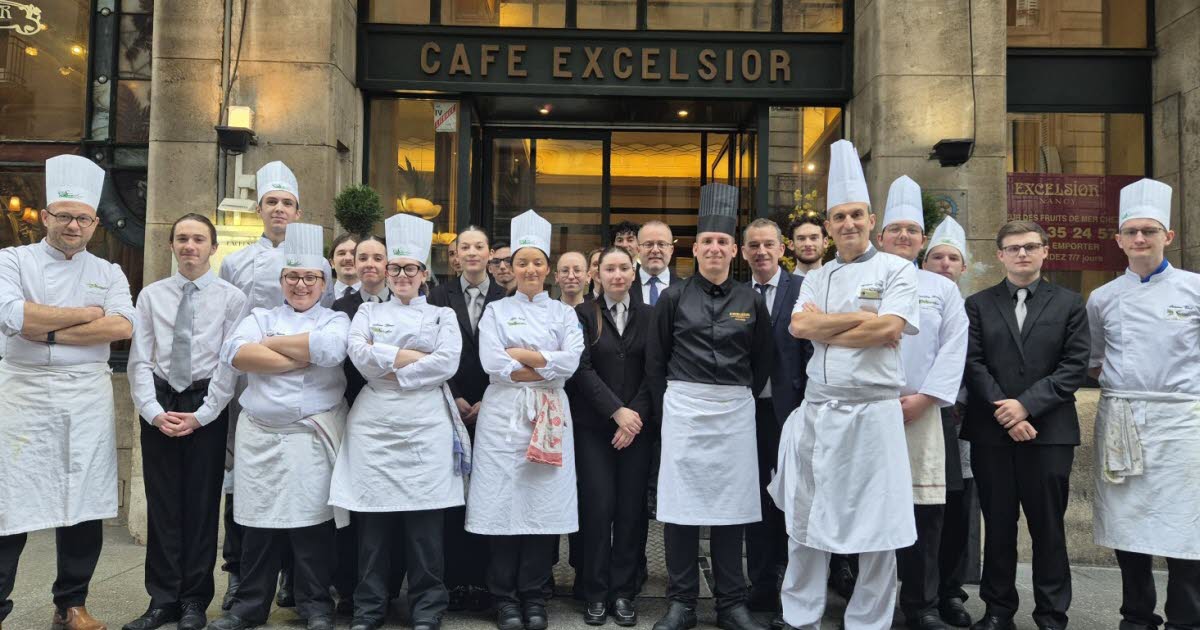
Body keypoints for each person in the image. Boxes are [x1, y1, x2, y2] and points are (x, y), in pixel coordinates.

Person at [772, 139, 921, 630]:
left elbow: (890, 328)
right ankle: (800, 616)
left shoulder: (898, 269)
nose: (848, 224)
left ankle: (869, 621)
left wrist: (830, 326)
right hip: (820, 413)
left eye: (856, 215)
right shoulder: (816, 277)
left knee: (879, 524)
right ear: (830, 225)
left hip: (875, 414)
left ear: (871, 220)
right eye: (839, 217)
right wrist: (861, 319)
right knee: (806, 518)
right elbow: (799, 327)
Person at [0, 155, 136, 630]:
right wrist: (85, 315)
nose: (73, 225)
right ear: (45, 217)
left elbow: (121, 326)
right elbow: (13, 316)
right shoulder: (12, 261)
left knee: (84, 502)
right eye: (64, 216)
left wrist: (49, 330)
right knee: (10, 502)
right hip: (23, 393)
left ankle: (71, 604)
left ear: (95, 223)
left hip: (85, 399)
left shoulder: (109, 271)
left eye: (83, 218)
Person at [208, 223, 351, 630]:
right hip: (261, 435)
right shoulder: (260, 315)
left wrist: (267, 345)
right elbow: (235, 353)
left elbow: (329, 350)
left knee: (313, 526)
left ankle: (315, 605)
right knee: (258, 526)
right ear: (281, 280)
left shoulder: (336, 319)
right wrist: (300, 355)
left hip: (310, 435)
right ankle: (249, 607)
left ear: (323, 282)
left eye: (310, 277)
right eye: (292, 277)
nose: (300, 285)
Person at [330, 213, 468, 630]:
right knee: (373, 525)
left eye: (411, 269)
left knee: (425, 528)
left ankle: (427, 608)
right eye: (395, 269)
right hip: (374, 426)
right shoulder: (366, 313)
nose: (402, 276)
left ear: (424, 274)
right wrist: (415, 358)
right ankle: (369, 607)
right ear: (386, 273)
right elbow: (360, 356)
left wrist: (388, 362)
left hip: (427, 425)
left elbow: (447, 363)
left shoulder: (443, 315)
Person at [647, 183, 772, 630]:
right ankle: (681, 602)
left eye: (723, 241)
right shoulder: (673, 297)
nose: (715, 248)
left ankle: (731, 604)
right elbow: (656, 361)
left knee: (732, 509)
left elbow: (763, 360)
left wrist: (736, 397)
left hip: (734, 413)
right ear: (695, 249)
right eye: (707, 241)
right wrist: (667, 414)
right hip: (684, 411)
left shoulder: (751, 300)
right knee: (680, 509)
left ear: (734, 250)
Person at [962, 221, 1089, 630]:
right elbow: (972, 363)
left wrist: (1026, 407)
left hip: (1050, 434)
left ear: (1045, 251)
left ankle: (1051, 615)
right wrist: (1007, 412)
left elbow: (1074, 366)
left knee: (1048, 528)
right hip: (992, 433)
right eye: (1013, 248)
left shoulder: (1070, 303)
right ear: (1000, 254)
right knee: (998, 526)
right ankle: (998, 611)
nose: (1022, 254)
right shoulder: (977, 304)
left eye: (1031, 246)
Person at [1086, 178, 1200, 630]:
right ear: (1118, 240)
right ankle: (1136, 616)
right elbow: (1095, 360)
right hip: (1123, 418)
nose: (1139, 239)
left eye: (1149, 231)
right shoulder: (1103, 298)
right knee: (1128, 520)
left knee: (1187, 520)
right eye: (1131, 232)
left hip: (1183, 421)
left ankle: (1186, 618)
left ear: (1167, 236)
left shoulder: (1195, 289)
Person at [124, 214, 246, 630]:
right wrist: (152, 411)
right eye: (182, 239)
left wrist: (204, 414)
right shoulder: (151, 296)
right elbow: (140, 359)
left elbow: (230, 364)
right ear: (171, 246)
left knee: (201, 506)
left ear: (213, 247)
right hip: (160, 402)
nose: (189, 246)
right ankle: (161, 600)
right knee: (162, 506)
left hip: (205, 402)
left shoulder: (232, 298)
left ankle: (194, 600)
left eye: (198, 239)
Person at [465, 210, 584, 630]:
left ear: (547, 268)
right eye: (522, 263)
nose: (530, 269)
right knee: (502, 505)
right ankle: (504, 599)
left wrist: (522, 356)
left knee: (541, 507)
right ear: (510, 268)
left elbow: (570, 363)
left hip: (549, 415)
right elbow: (492, 364)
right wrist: (546, 364)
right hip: (503, 417)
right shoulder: (496, 312)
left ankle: (534, 596)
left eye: (537, 262)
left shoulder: (564, 313)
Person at [875, 177, 969, 630]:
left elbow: (954, 346)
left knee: (925, 512)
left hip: (925, 413)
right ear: (880, 236)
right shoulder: (861, 279)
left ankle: (922, 605)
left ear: (922, 239)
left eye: (912, 230)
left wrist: (925, 398)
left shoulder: (941, 288)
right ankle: (869, 604)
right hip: (869, 409)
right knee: (868, 509)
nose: (904, 236)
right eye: (896, 229)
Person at [216, 160, 307, 610]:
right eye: (271, 202)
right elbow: (225, 326)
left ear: (298, 211)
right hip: (244, 387)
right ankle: (238, 572)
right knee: (241, 479)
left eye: (287, 203)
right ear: (259, 209)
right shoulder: (234, 262)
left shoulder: (315, 262)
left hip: (299, 382)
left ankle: (291, 574)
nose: (279, 209)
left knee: (296, 478)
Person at [566, 246, 654, 627]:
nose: (617, 275)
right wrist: (616, 412)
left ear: (634, 274)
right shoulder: (583, 315)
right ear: (596, 275)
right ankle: (595, 592)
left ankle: (623, 593)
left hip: (637, 430)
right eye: (609, 269)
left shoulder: (651, 316)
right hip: (593, 428)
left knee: (631, 511)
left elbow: (656, 370)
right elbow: (581, 369)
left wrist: (633, 417)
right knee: (598, 508)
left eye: (623, 268)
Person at [428, 226, 507, 612]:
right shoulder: (437, 296)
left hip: (497, 406)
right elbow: (431, 348)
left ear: (490, 254)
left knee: (489, 492)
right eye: (465, 247)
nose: (472, 252)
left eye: (479, 246)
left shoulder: (506, 297)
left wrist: (488, 399)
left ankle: (486, 583)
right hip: (451, 404)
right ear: (455, 255)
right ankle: (455, 580)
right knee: (453, 494)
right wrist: (456, 394)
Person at [740, 218, 809, 617]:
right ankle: (761, 582)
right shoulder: (735, 294)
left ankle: (792, 585)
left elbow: (812, 353)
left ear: (782, 249)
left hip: (792, 413)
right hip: (747, 415)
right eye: (754, 245)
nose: (761, 252)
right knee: (756, 499)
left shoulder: (803, 290)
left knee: (792, 498)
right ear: (744, 252)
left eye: (768, 244)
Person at [329, 234, 391, 616]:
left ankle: (391, 586)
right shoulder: (341, 307)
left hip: (399, 416)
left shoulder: (410, 302)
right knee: (355, 507)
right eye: (361, 257)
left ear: (388, 264)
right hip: (354, 412)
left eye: (376, 257)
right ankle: (351, 590)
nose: (368, 263)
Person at [923, 216, 978, 629]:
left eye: (952, 258)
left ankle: (950, 591)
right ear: (924, 263)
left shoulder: (977, 308)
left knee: (957, 510)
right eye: (937, 257)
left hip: (963, 425)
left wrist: (961, 400)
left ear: (963, 266)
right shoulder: (912, 301)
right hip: (920, 415)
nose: (944, 264)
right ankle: (917, 590)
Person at [632, 221, 679, 307]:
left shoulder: (686, 290)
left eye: (661, 244)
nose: (655, 250)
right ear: (638, 250)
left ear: (671, 250)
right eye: (648, 244)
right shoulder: (625, 286)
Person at [330, 233, 361, 299]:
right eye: (342, 253)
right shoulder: (320, 298)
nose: (348, 258)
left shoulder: (377, 298)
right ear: (332, 263)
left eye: (354, 253)